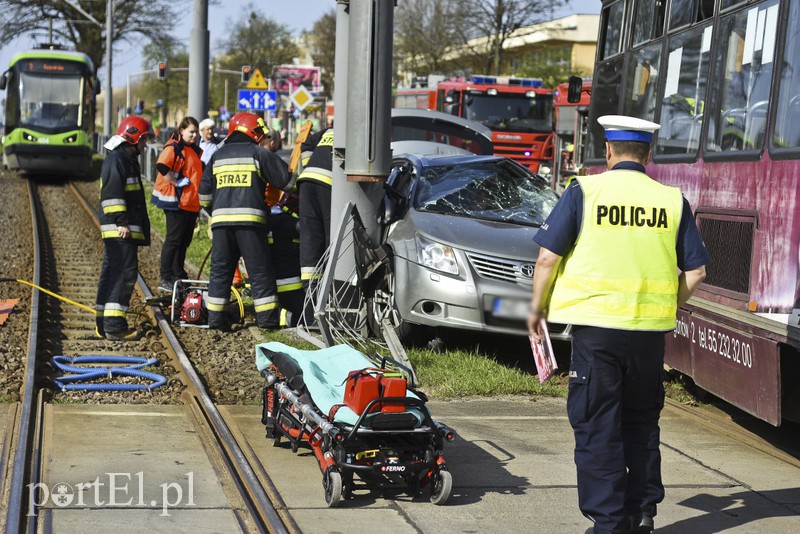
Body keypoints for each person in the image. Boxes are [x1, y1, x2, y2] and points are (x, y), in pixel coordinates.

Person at [527, 115, 709, 534]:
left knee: (597, 424)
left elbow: (547, 259)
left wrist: (536, 310)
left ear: (608, 151)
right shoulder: (671, 200)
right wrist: (666, 304)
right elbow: (696, 272)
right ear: (649, 153)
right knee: (642, 420)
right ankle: (642, 511)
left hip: (597, 333)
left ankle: (609, 524)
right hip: (649, 336)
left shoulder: (585, 191)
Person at [199, 112, 293, 331]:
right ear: (252, 132)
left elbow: (203, 196)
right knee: (260, 271)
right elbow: (287, 182)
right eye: (260, 133)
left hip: (221, 225)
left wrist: (219, 211)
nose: (262, 138)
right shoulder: (259, 154)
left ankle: (216, 321)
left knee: (220, 271)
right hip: (251, 224)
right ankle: (267, 321)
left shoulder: (217, 156)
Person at [95, 116, 156, 341]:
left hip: (120, 227)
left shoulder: (125, 159)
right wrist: (121, 222)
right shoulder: (117, 160)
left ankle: (103, 323)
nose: (145, 145)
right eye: (143, 139)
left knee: (112, 273)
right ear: (134, 137)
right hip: (119, 228)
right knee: (124, 273)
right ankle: (114, 326)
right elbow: (111, 195)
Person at [151, 116, 203, 293]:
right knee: (174, 240)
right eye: (191, 132)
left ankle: (177, 273)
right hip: (177, 202)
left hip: (190, 203)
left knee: (183, 241)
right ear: (181, 131)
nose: (195, 135)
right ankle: (166, 276)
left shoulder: (193, 150)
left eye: (196, 132)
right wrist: (176, 182)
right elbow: (162, 166)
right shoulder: (175, 147)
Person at [260, 128, 303, 327]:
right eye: (277, 141)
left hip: (268, 219)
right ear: (271, 142)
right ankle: (280, 315)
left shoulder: (260, 156)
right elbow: (286, 185)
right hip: (270, 217)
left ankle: (276, 312)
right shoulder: (266, 159)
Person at [296, 127, 333, 300]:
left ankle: (310, 289)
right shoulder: (360, 134)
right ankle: (329, 284)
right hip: (329, 184)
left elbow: (306, 144)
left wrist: (308, 165)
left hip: (307, 181)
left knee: (310, 235)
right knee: (330, 234)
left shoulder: (330, 130)